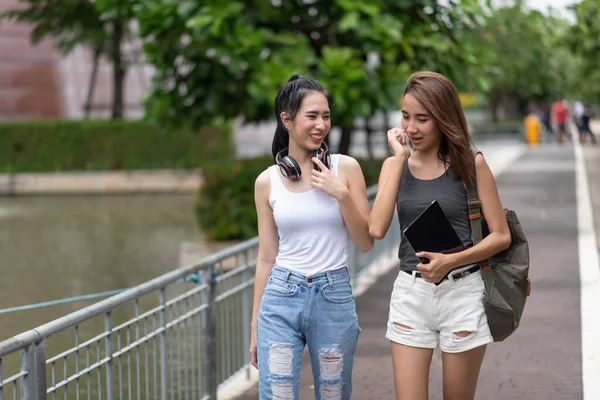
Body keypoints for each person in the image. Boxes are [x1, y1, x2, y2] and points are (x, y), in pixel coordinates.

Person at [368, 71, 511, 400]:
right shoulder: (396, 165)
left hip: (463, 294)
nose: (411, 128)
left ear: (443, 118)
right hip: (410, 294)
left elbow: (500, 236)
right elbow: (375, 229)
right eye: (405, 117)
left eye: (422, 119)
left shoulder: (472, 165)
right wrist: (399, 158)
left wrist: (452, 260)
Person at [250, 74, 374, 399]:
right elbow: (266, 257)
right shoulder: (267, 182)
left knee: (333, 393)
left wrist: (340, 194)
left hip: (333, 297)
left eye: (326, 116)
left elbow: (366, 241)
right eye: (312, 116)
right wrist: (254, 328)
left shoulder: (346, 170)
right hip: (279, 299)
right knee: (277, 394)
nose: (321, 125)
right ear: (287, 120)